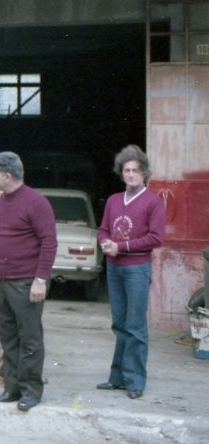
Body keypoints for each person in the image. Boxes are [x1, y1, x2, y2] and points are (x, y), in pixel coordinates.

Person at [0, 152, 57, 411]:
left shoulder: (36, 202)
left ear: (7, 175)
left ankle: (31, 391)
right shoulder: (4, 200)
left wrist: (40, 280)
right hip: (2, 280)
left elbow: (49, 242)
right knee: (8, 335)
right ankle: (13, 388)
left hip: (26, 282)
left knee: (29, 337)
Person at [96, 145, 165, 400]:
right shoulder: (114, 200)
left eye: (136, 170)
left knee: (135, 326)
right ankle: (117, 378)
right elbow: (103, 229)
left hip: (137, 268)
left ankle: (135, 381)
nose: (131, 174)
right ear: (121, 172)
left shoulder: (154, 202)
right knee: (120, 324)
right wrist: (104, 243)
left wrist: (120, 246)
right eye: (127, 170)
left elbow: (156, 238)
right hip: (115, 269)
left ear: (144, 173)